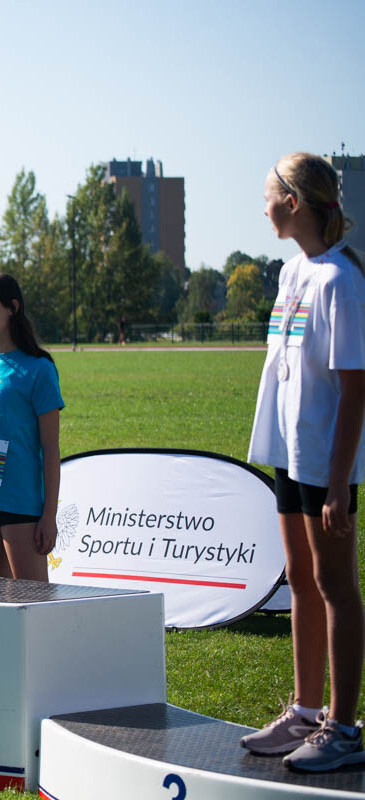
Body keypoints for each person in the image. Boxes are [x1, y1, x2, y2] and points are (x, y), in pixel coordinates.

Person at [241, 153, 365, 772]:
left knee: (336, 585)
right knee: (302, 582)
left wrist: (340, 481)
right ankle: (306, 713)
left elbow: (354, 389)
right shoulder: (294, 273)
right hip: (288, 455)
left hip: (325, 465)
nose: (262, 207)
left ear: (293, 201)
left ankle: (343, 729)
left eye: (268, 196)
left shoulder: (341, 280)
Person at [0, 272, 62, 582]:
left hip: (20, 501)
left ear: (12, 308)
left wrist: (49, 515)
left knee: (33, 602)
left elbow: (50, 448)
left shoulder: (40, 369)